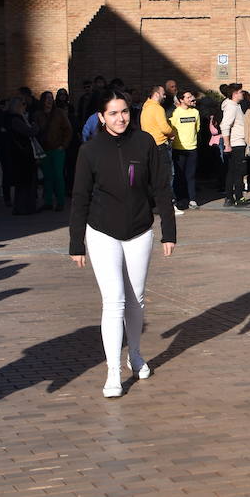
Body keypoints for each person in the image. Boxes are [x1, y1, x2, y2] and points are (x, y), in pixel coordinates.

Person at [68, 90, 176, 398]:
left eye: (125, 112)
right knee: (114, 301)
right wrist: (76, 243)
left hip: (140, 230)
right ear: (101, 117)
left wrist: (169, 230)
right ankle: (113, 371)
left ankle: (136, 353)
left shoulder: (145, 143)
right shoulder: (89, 150)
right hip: (102, 232)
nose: (121, 118)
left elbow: (160, 187)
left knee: (136, 298)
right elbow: (80, 198)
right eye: (113, 113)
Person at [35, 91, 73, 212]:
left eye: (51, 98)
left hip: (57, 149)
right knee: (47, 177)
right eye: (47, 98)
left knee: (58, 175)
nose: (49, 100)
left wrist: (63, 145)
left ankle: (60, 202)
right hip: (44, 150)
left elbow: (68, 130)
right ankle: (48, 202)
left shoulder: (59, 113)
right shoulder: (38, 114)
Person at [2, 97, 41, 214]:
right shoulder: (15, 119)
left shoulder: (18, 119)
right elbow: (29, 132)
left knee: (25, 183)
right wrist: (35, 126)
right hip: (21, 155)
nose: (25, 107)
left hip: (21, 154)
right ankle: (23, 208)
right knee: (24, 183)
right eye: (23, 104)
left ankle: (26, 207)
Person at [169, 90, 201, 210]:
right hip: (179, 148)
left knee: (191, 175)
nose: (191, 98)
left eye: (191, 96)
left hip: (192, 147)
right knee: (179, 175)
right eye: (188, 97)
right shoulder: (176, 113)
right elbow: (171, 129)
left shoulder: (195, 112)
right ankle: (181, 199)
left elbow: (197, 128)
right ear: (181, 100)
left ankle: (192, 199)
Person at [219, 85, 249, 207]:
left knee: (231, 172)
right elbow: (225, 125)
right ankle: (239, 198)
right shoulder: (232, 107)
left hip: (236, 142)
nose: (242, 94)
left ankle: (229, 198)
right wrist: (227, 144)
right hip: (236, 143)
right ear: (235, 94)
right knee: (238, 172)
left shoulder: (234, 106)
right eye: (241, 92)